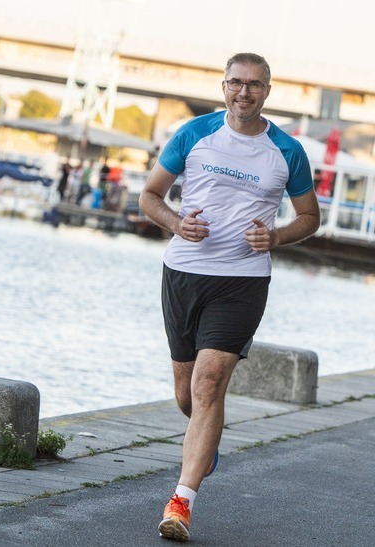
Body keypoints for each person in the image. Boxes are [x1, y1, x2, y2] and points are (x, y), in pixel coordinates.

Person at [139, 52, 320, 542]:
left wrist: (276, 238)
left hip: (242, 280)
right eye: (236, 83)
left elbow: (309, 216)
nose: (245, 92)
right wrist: (178, 223)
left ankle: (181, 502)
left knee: (209, 382)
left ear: (267, 91)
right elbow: (149, 196)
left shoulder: (288, 150)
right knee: (187, 394)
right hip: (183, 273)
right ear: (224, 87)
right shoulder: (193, 134)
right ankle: (206, 440)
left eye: (255, 85)